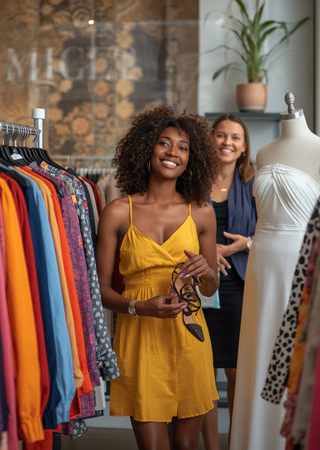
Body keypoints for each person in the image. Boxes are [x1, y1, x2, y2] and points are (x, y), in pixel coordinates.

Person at [96, 105, 220, 450]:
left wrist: (207, 271)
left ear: (191, 160)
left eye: (183, 147)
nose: (173, 153)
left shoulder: (203, 212)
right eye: (164, 143)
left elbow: (210, 287)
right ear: (146, 148)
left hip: (190, 331)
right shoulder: (118, 212)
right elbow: (99, 290)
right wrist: (139, 307)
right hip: (139, 334)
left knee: (186, 445)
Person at [230, 95, 320, 450]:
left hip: (300, 260)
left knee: (292, 346)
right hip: (261, 261)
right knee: (259, 346)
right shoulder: (262, 153)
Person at [200, 114, 257, 449]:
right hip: (199, 281)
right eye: (220, 135)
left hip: (238, 282)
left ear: (244, 146)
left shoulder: (255, 183)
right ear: (210, 140)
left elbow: (270, 231)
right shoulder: (192, 181)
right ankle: (211, 445)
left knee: (235, 370)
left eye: (235, 138)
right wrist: (205, 252)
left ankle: (235, 440)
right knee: (203, 370)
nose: (227, 143)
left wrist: (244, 244)